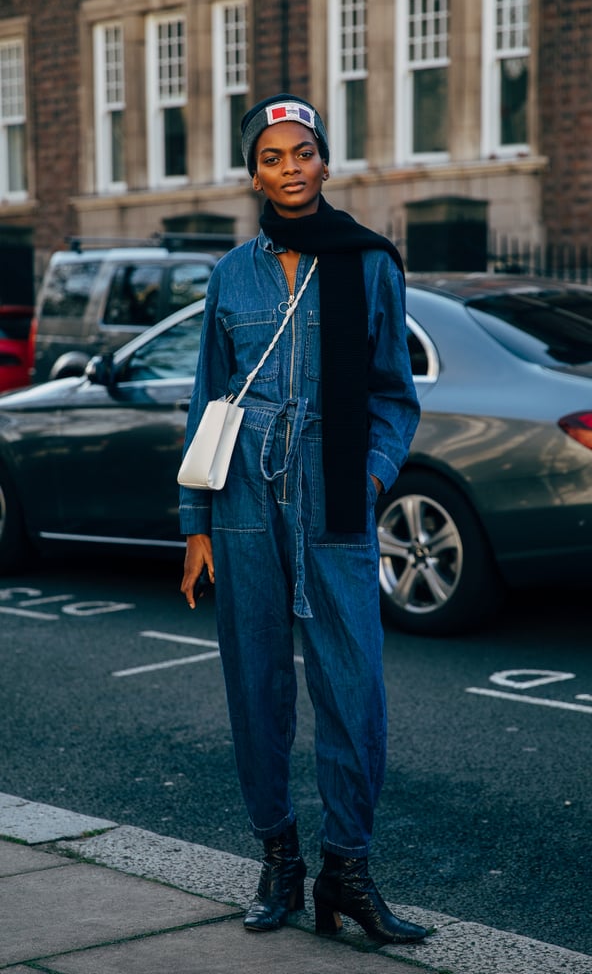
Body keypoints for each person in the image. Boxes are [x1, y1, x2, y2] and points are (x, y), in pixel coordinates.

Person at [179, 94, 426, 944]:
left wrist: (370, 472)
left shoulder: (369, 264)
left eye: (304, 152)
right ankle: (279, 859)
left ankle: (347, 871)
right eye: (273, 155)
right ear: (254, 171)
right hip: (243, 502)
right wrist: (196, 525)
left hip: (335, 503)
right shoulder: (230, 276)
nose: (290, 167)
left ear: (327, 162)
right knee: (255, 687)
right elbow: (207, 403)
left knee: (353, 689)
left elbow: (394, 393)